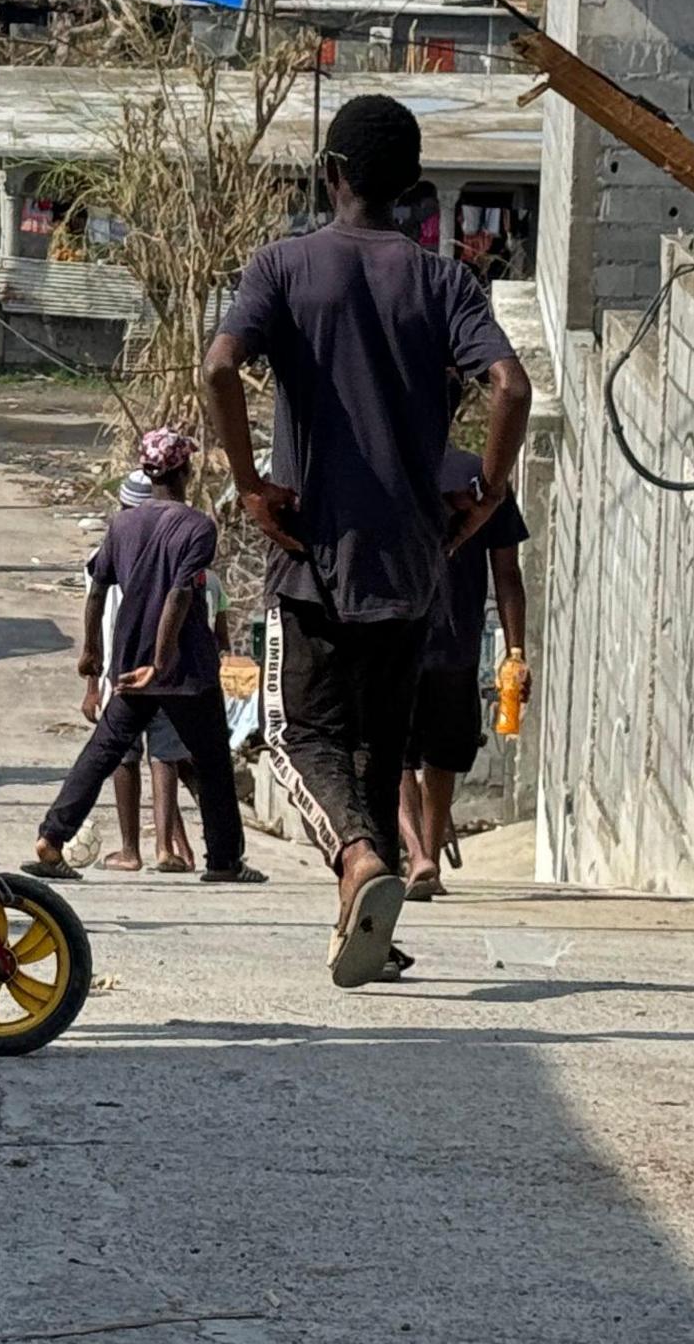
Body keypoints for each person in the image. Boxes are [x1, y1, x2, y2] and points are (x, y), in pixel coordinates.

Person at [203, 93, 530, 988]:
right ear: (413, 190)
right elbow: (508, 386)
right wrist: (487, 493)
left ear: (331, 174)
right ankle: (368, 927)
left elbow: (221, 366)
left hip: (312, 551)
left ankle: (357, 861)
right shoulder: (444, 283)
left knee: (298, 731)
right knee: (381, 746)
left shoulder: (283, 266)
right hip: (415, 558)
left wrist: (246, 485)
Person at [30, 426, 258, 884]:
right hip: (184, 669)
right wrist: (163, 657)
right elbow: (179, 597)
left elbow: (96, 591)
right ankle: (224, 860)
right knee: (212, 760)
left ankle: (53, 838)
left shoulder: (122, 525)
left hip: (129, 664)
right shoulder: (197, 526)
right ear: (185, 471)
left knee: (102, 752)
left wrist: (92, 652)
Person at [404, 442, 530, 899]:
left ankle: (415, 852)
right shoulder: (481, 475)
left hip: (391, 633)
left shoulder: (388, 461)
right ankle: (430, 859)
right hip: (455, 643)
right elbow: (508, 575)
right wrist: (514, 650)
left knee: (395, 755)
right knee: (441, 759)